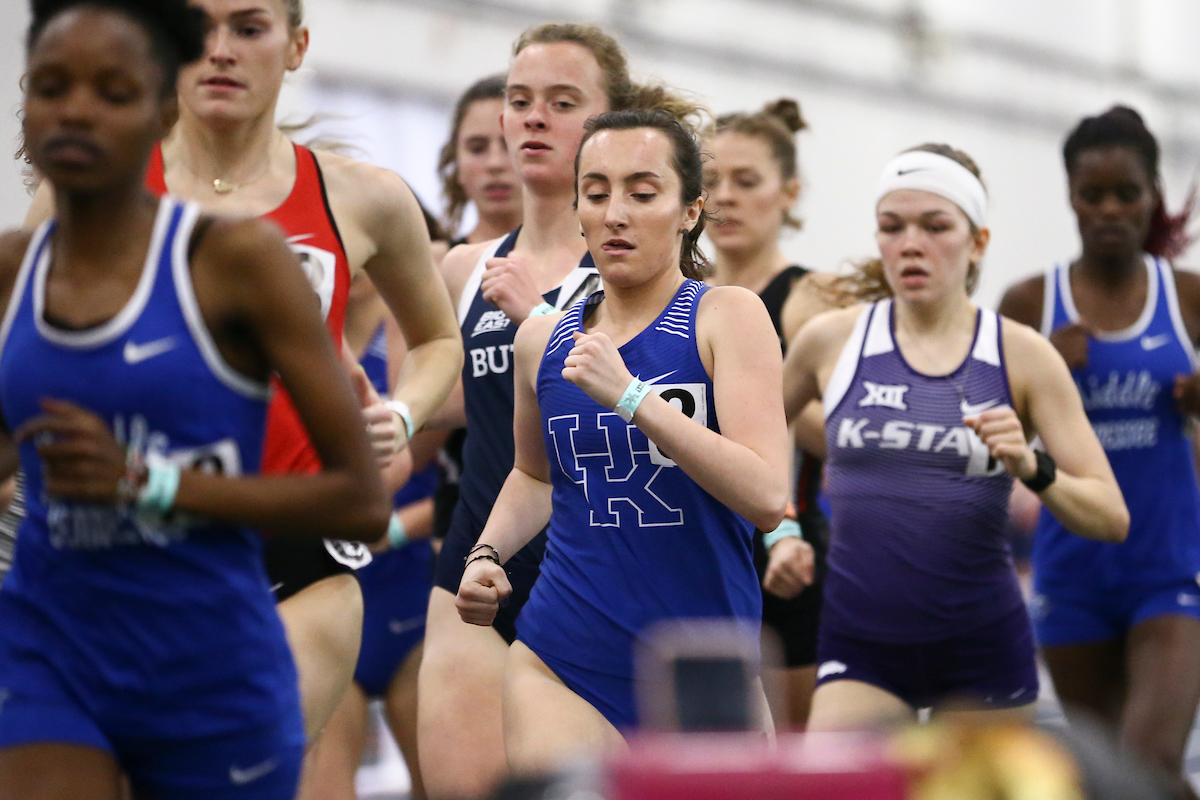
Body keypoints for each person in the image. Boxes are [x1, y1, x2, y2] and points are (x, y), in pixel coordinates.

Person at [26, 0, 463, 749]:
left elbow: (436, 341)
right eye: (199, 28)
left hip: (296, 545)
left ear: (294, 48)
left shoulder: (363, 197)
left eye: (249, 28)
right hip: (129, 543)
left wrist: (397, 416)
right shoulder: (86, 195)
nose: (220, 49)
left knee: (230, 763)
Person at [456, 108, 789, 772]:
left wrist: (634, 397)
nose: (615, 213)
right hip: (562, 655)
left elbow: (767, 496)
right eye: (597, 192)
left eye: (642, 192)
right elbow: (535, 477)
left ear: (689, 210)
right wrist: (485, 553)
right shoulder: (542, 341)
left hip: (704, 664)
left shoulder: (728, 316)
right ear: (577, 208)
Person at [417, 24, 698, 798]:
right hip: (477, 573)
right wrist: (373, 403)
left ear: (610, 120)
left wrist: (537, 315)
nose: (533, 118)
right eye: (519, 101)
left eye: (561, 102)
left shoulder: (637, 262)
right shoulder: (466, 267)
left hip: (600, 586)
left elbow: (661, 399)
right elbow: (450, 404)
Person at [781, 143, 1129, 731]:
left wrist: (1031, 465)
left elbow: (1110, 516)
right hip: (863, 651)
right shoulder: (829, 341)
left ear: (978, 243)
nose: (910, 243)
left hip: (982, 654)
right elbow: (749, 442)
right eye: (892, 227)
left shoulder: (1021, 356)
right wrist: (782, 529)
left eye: (935, 226)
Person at [998, 105, 1200, 798]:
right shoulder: (1029, 302)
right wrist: (1042, 370)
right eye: (1094, 194)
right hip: (1071, 572)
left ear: (1153, 196)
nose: (1111, 210)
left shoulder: (1189, 298)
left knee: (1149, 764)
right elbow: (995, 443)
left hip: (1168, 569)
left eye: (1127, 194)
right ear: (1071, 198)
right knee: (1098, 779)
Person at [703, 97, 841, 727]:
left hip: (787, 548)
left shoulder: (813, 296)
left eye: (745, 181)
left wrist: (759, 401)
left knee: (790, 760)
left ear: (788, 194)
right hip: (690, 540)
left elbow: (844, 430)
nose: (724, 197)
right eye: (709, 182)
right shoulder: (681, 295)